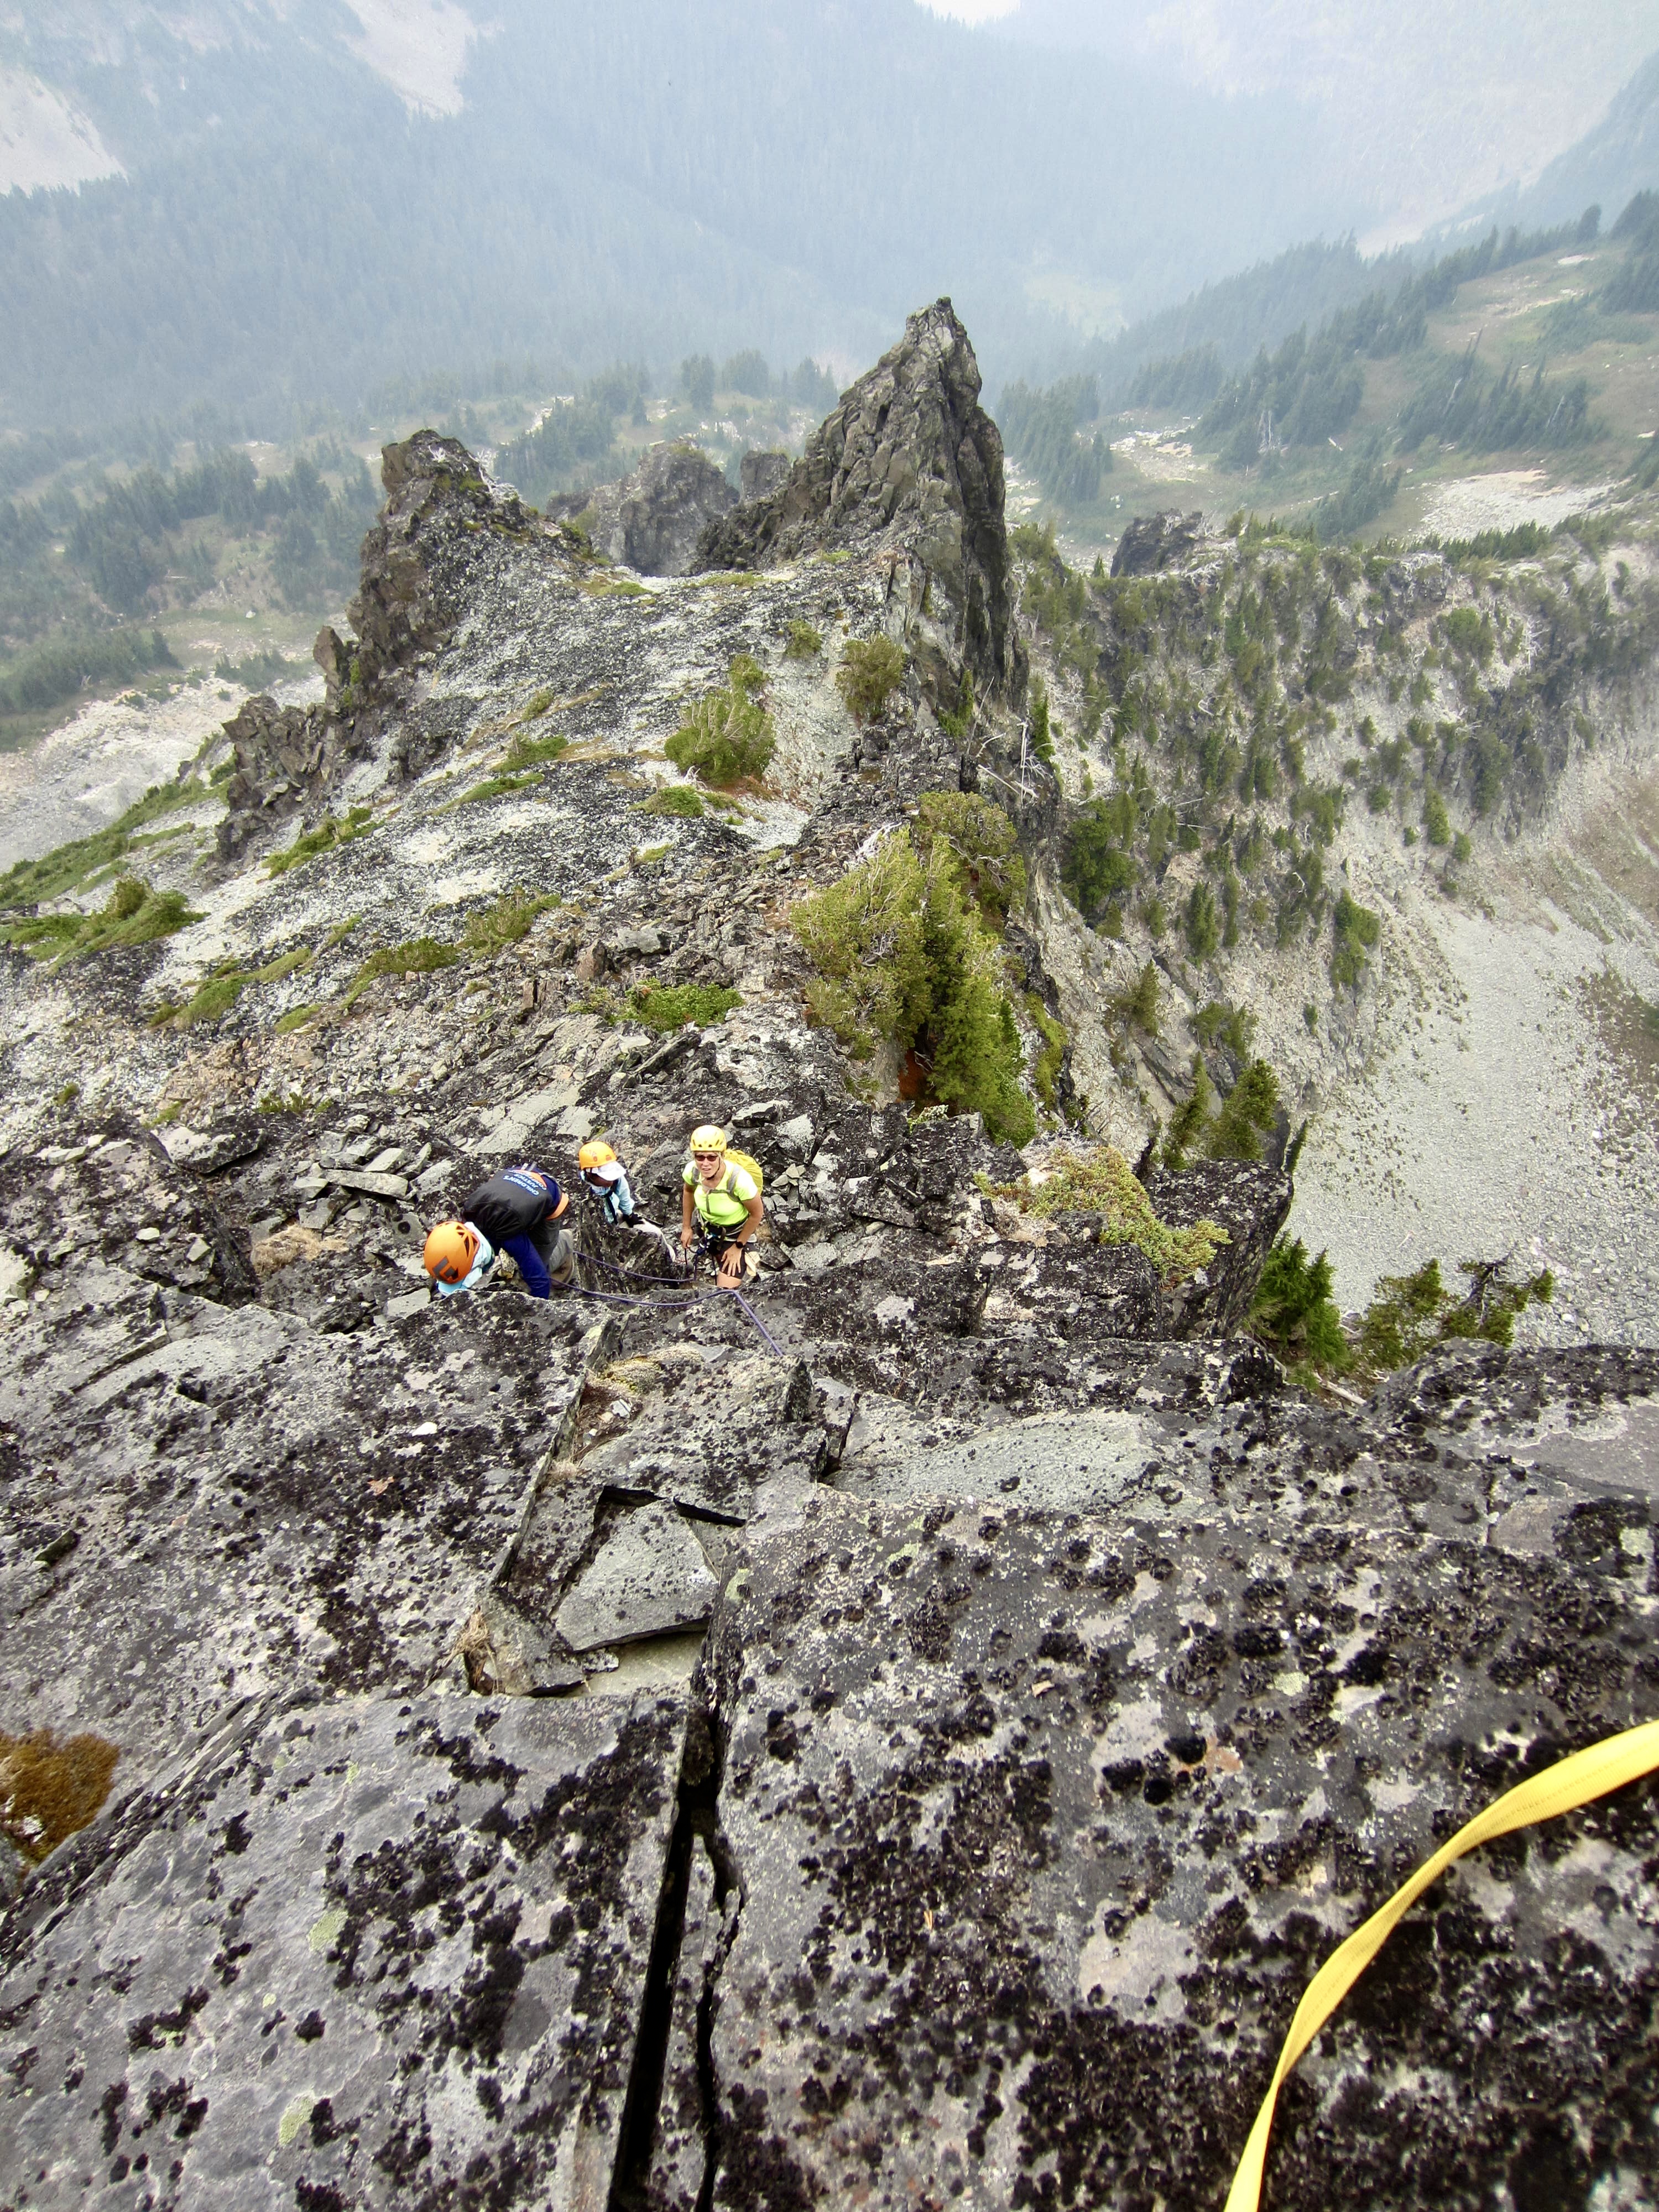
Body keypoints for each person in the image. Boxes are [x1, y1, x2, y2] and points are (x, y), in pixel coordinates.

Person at [423, 1164, 574, 1300]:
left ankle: (565, 1242)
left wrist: (535, 1312)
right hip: (514, 1176)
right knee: (518, 1250)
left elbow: (540, 1281)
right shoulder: (469, 1213)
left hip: (548, 1191)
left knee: (536, 1266)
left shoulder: (511, 1238)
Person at [680, 1124, 762, 1286]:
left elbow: (757, 1214)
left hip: (736, 1235)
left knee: (724, 1292)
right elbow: (688, 1191)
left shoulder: (738, 1181)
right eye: (700, 1157)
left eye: (712, 1157)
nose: (705, 1164)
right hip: (710, 1230)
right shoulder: (693, 1172)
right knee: (720, 1259)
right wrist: (686, 1227)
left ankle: (749, 1279)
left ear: (722, 1156)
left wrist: (738, 1247)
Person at [577, 1140, 635, 1227]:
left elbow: (624, 1196)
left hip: (614, 1219)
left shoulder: (618, 1180)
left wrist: (629, 1215)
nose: (611, 1180)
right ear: (590, 1174)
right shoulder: (580, 1188)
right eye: (606, 1177)